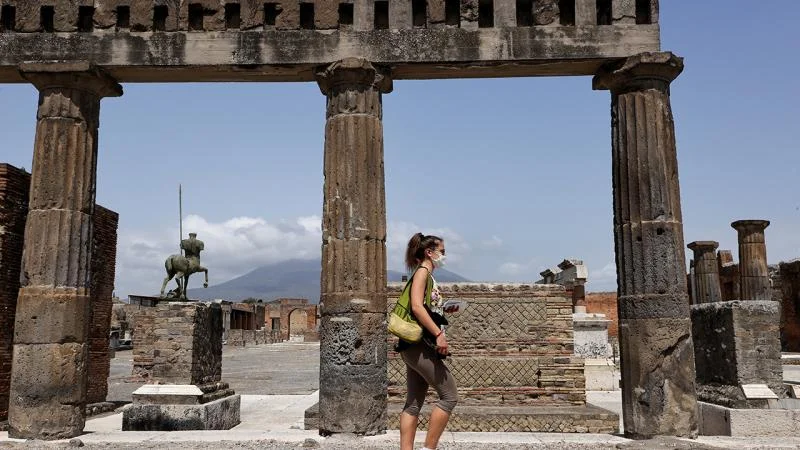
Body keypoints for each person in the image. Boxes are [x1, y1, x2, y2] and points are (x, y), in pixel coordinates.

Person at [398, 233, 458, 450]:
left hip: (413, 347)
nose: (444, 255)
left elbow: (425, 308)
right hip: (419, 346)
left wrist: (444, 309)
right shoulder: (422, 273)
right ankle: (429, 448)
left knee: (413, 403)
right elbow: (416, 307)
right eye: (442, 251)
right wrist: (439, 334)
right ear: (429, 253)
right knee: (449, 396)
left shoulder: (426, 276)